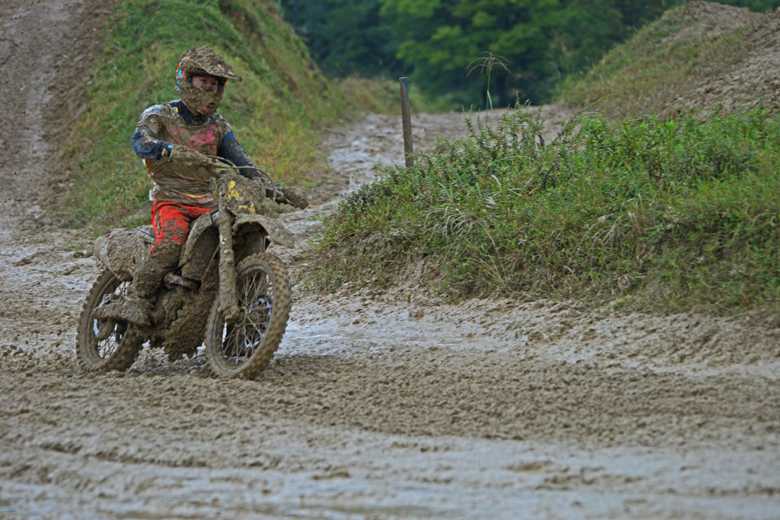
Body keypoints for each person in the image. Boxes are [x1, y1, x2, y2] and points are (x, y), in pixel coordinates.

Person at [96, 47, 305, 326]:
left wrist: (273, 187)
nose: (211, 91)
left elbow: (241, 162)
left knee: (244, 235)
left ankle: (243, 318)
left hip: (209, 201)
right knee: (171, 242)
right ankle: (137, 298)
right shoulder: (161, 115)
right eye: (205, 83)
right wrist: (167, 150)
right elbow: (140, 142)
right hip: (171, 199)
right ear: (187, 80)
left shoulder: (218, 127)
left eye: (216, 85)